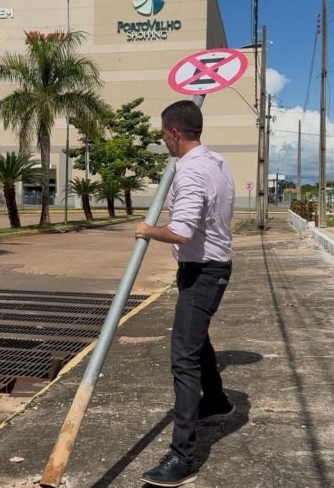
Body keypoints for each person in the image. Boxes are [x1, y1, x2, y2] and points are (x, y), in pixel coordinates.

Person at [136, 100, 235, 487]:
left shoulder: (191, 172)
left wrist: (147, 229)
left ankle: (183, 457)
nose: (163, 140)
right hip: (212, 266)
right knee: (198, 340)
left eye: (163, 134)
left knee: (183, 358)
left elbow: (181, 232)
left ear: (175, 132)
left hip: (203, 272)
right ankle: (217, 401)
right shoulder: (217, 162)